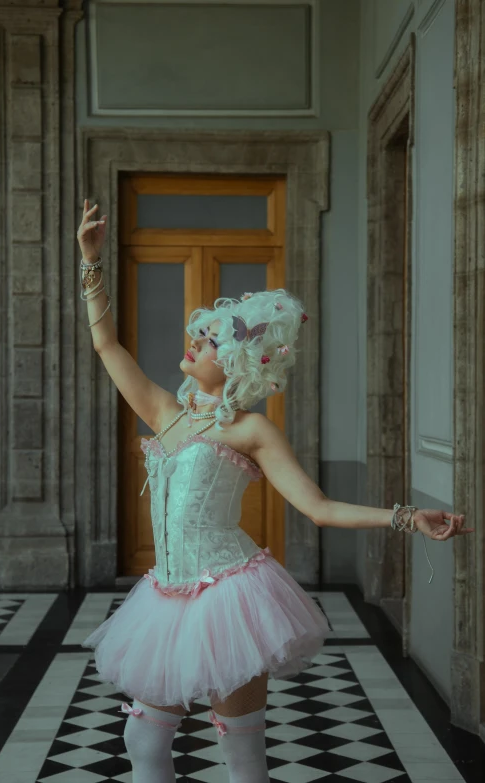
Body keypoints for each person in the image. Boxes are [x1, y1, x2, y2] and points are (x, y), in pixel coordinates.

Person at [77, 200, 473, 783]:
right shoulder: (165, 412)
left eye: (210, 341)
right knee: (143, 739)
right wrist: (91, 263)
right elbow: (107, 346)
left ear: (234, 361)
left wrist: (407, 516)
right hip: (164, 598)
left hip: (229, 598)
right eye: (201, 334)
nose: (196, 343)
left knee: (241, 757)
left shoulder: (252, 430)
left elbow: (318, 506)